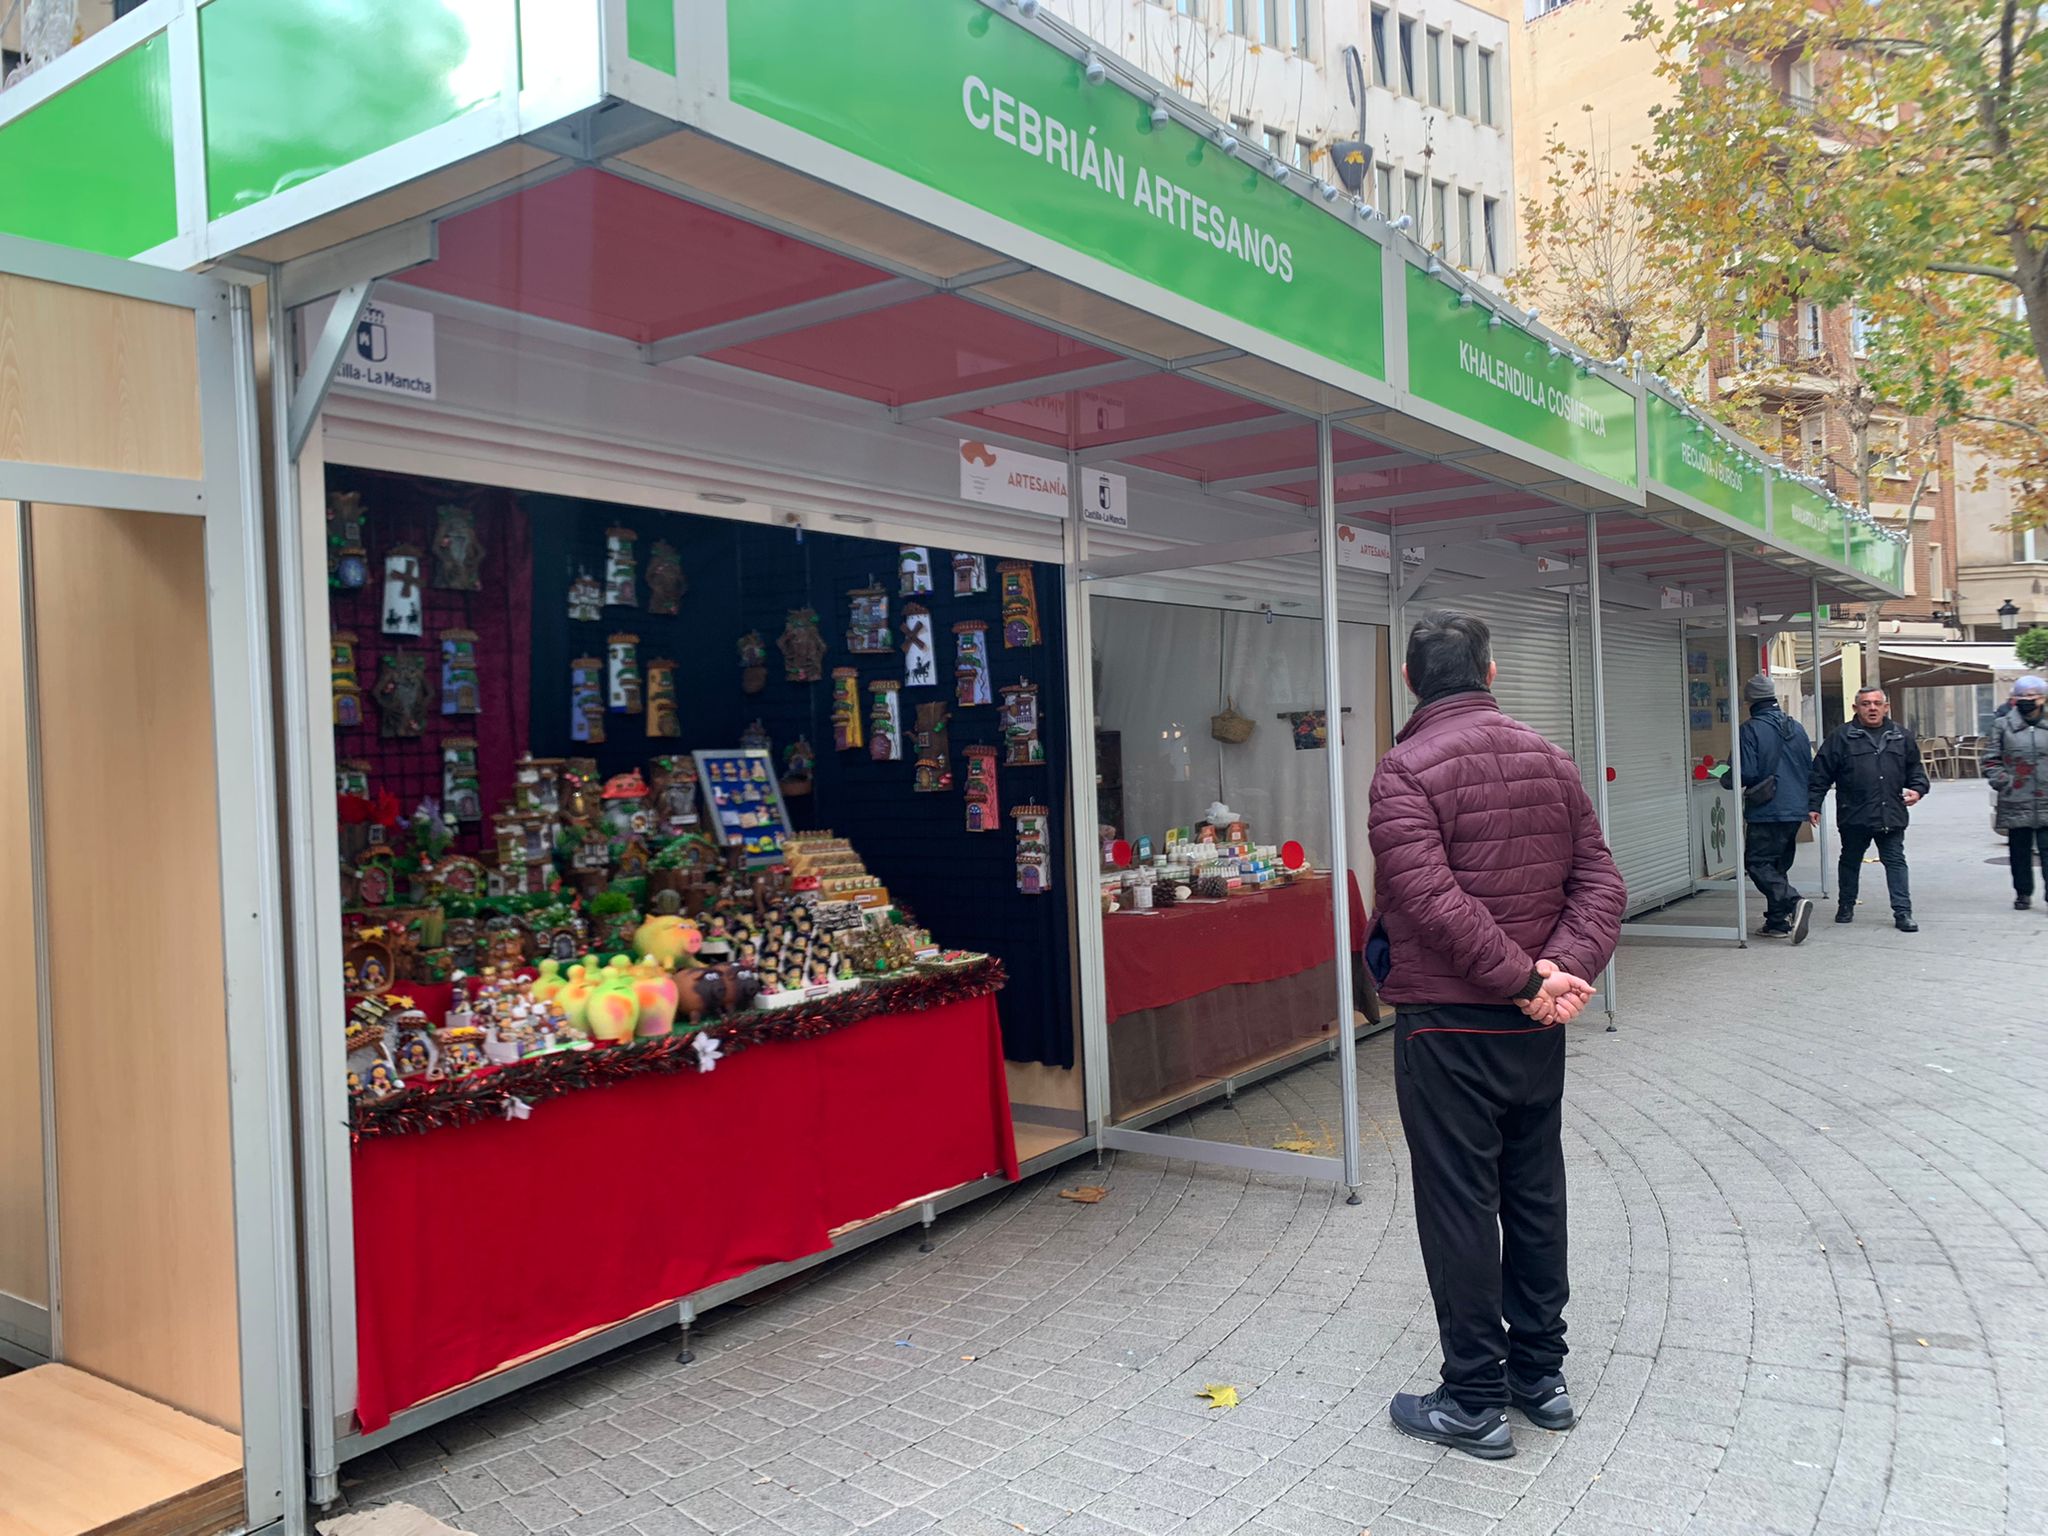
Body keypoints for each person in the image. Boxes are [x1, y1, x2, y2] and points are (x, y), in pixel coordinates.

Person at [1368, 611, 1627, 1461]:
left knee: (1459, 1205)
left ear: (1411, 681)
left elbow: (1430, 904)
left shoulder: (1403, 769)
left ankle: (1474, 1398)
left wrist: (1529, 979)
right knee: (1534, 1191)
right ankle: (1541, 1378)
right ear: (1490, 670)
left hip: (1449, 1024)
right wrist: (1555, 975)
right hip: (1531, 1026)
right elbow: (1601, 883)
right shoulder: (1550, 758)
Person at [1808, 686, 1929, 931]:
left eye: (1877, 703)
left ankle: (1903, 913)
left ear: (1886, 707)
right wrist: (1813, 804)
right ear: (1856, 708)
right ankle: (1846, 905)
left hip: (1890, 813)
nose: (1872, 708)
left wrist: (1917, 789)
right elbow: (1820, 774)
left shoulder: (1901, 736)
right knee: (1850, 860)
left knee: (1895, 861)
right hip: (1854, 813)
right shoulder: (1841, 737)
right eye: (1865, 704)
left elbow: (1916, 771)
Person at [1737, 673, 1815, 942]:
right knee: (1778, 865)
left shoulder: (1750, 729)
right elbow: (1809, 768)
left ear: (1750, 701)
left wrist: (1724, 775)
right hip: (1795, 808)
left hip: (1766, 809)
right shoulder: (1797, 728)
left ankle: (1794, 902)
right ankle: (1777, 923)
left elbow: (1745, 772)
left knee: (1757, 863)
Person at [1984, 675, 2048, 909]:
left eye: (2032, 696)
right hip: (2015, 796)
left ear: (2043, 699)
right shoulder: (2002, 725)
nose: (2027, 700)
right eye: (2022, 696)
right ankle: (2022, 893)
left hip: (2046, 797)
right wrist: (2004, 781)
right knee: (2019, 851)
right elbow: (1991, 759)